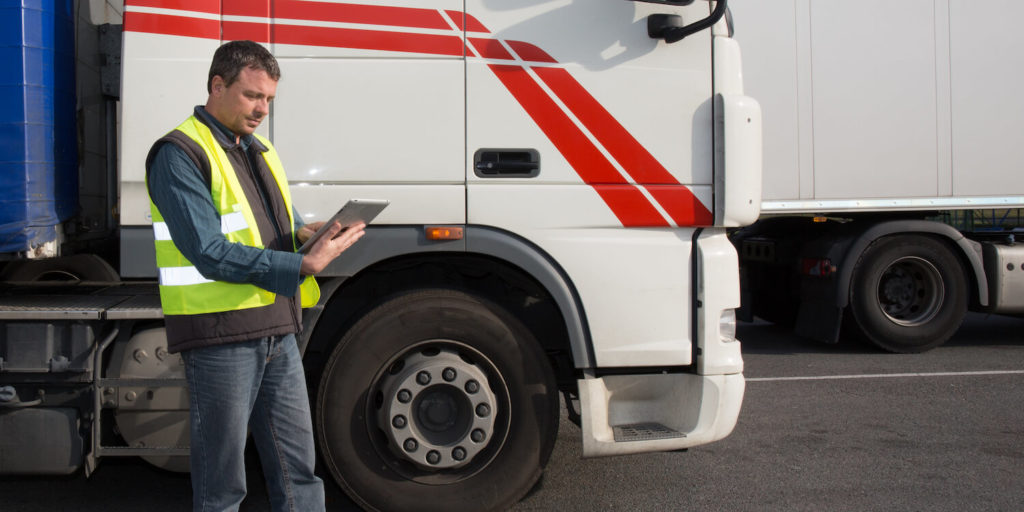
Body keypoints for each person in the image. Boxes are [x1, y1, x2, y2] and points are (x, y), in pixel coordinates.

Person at [145, 40, 364, 512]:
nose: (262, 109)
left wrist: (305, 233)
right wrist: (300, 265)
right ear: (217, 85)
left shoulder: (257, 149)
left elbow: (267, 227)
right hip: (219, 334)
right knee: (224, 485)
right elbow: (207, 250)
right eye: (252, 96)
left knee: (299, 472)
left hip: (275, 330)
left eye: (269, 100)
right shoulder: (178, 153)